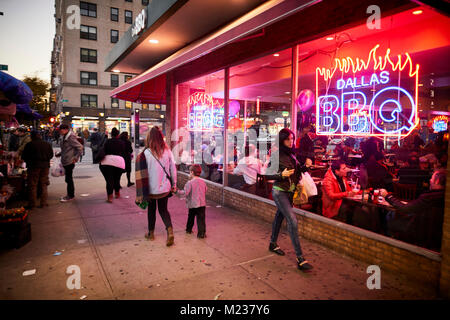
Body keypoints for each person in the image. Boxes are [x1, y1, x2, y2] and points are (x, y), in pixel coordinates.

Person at [264, 128, 313, 272]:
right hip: (280, 192)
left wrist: (306, 167)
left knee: (279, 217)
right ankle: (300, 258)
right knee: (292, 221)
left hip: (290, 193)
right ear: (282, 140)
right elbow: (267, 175)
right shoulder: (276, 155)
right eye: (288, 139)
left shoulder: (292, 155)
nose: (291, 142)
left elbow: (297, 172)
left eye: (292, 139)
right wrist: (281, 174)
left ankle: (273, 243)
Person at [380, 169, 446, 249]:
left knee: (388, 216)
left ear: (437, 181)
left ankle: (389, 244)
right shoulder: (442, 195)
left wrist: (387, 196)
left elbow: (405, 209)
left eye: (432, 178)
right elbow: (416, 206)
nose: (430, 180)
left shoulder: (430, 197)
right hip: (432, 231)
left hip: (417, 229)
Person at [136, 126, 177, 247]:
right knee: (163, 210)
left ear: (149, 138)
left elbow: (142, 174)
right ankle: (169, 231)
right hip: (164, 188)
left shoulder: (145, 154)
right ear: (161, 138)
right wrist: (174, 184)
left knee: (152, 210)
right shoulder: (167, 151)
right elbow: (173, 169)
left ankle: (151, 233)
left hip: (151, 189)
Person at [21, 131, 53, 209]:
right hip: (45, 167)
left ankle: (32, 204)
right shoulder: (47, 144)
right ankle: (43, 203)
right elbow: (51, 155)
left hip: (33, 167)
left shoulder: (29, 145)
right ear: (40, 136)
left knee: (32, 185)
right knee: (43, 184)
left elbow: (24, 156)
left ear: (32, 137)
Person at [55, 124, 84, 202]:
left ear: (66, 130)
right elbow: (66, 149)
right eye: (60, 130)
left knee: (69, 179)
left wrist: (76, 157)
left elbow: (80, 147)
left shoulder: (70, 137)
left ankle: (70, 195)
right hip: (65, 160)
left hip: (69, 161)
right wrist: (60, 154)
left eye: (61, 130)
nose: (60, 132)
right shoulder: (64, 136)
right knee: (68, 179)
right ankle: (70, 195)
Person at [99, 128, 127, 203]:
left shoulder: (107, 141)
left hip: (108, 162)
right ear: (118, 135)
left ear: (111, 134)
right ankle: (117, 193)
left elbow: (103, 150)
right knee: (117, 179)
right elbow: (123, 152)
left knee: (109, 180)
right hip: (119, 162)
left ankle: (110, 197)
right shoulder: (121, 142)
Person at [184, 164, 208, 238]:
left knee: (191, 216)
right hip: (202, 204)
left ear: (191, 172)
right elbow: (205, 190)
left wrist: (176, 191)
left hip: (193, 204)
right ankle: (201, 234)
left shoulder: (190, 183)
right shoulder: (203, 182)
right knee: (201, 219)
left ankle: (188, 229)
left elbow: (185, 192)